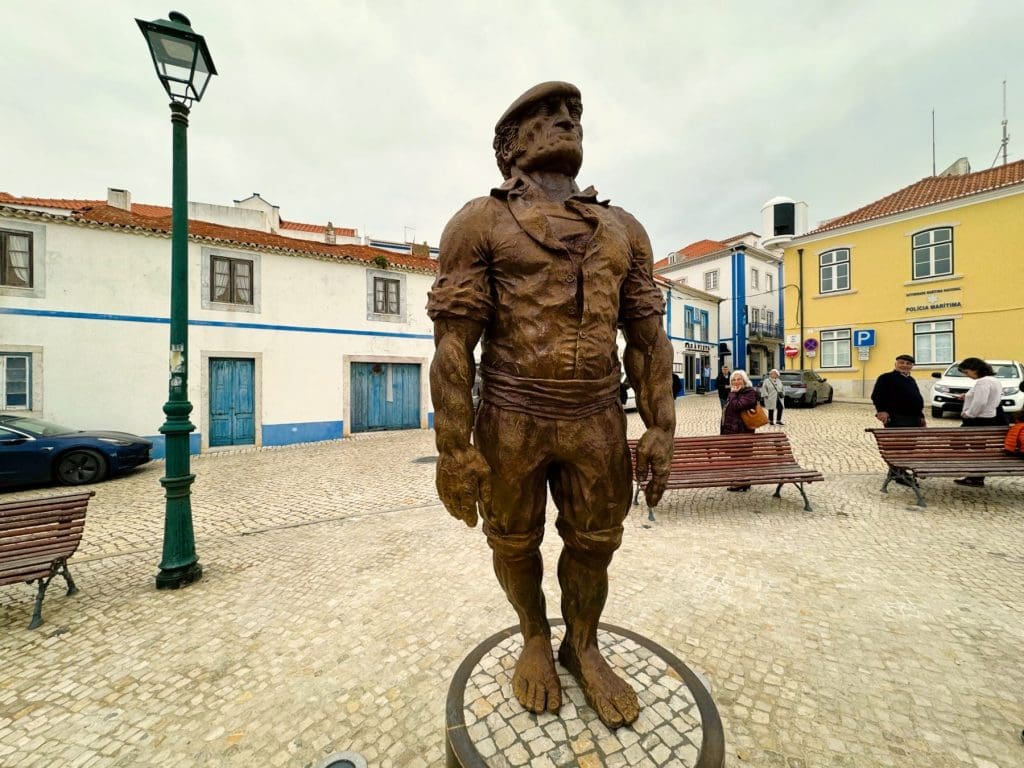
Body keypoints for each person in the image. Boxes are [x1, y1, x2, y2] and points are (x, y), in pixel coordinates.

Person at [427, 81, 675, 729]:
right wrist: (455, 448)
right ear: (511, 145)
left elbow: (648, 340)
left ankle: (582, 644)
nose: (566, 120)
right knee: (512, 539)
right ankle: (535, 636)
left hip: (596, 414)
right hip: (511, 414)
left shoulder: (624, 228)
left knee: (597, 540)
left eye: (573, 115)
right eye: (545, 115)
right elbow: (454, 346)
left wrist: (662, 428)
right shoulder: (477, 222)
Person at [953, 357, 1008, 487]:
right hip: (990, 417)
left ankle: (976, 474)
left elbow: (981, 401)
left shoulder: (982, 382)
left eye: (967, 372)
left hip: (978, 419)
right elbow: (987, 397)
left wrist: (968, 414)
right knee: (978, 448)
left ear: (975, 369)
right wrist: (966, 396)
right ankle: (976, 476)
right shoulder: (994, 380)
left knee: (959, 442)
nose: (967, 375)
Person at [721, 369, 759, 491]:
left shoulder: (749, 393)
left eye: (739, 379)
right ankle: (742, 480)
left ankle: (741, 482)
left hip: (743, 432)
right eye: (733, 380)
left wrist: (732, 394)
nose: (736, 382)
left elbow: (737, 406)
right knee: (735, 457)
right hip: (732, 431)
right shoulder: (735, 393)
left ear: (744, 381)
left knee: (742, 457)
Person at [871, 354, 926, 428]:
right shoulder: (886, 378)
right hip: (896, 418)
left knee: (913, 439)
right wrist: (881, 411)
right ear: (895, 364)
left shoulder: (911, 380)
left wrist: (921, 417)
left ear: (912, 366)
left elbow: (916, 398)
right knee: (899, 439)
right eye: (901, 362)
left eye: (908, 364)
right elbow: (876, 395)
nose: (904, 365)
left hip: (915, 419)